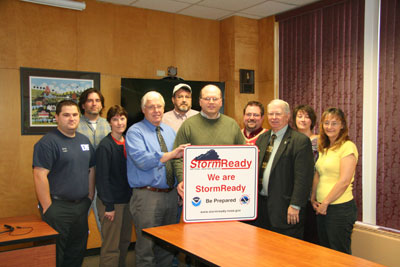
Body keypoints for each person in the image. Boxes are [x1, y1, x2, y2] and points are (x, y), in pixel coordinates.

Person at [126, 91, 188, 267]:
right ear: (143, 109)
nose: (156, 110)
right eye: (151, 107)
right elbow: (142, 160)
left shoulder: (169, 131)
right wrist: (170, 155)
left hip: (170, 196)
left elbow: (178, 161)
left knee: (168, 247)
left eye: (159, 106)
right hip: (147, 197)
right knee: (146, 249)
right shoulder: (135, 132)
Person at [33, 100, 95, 267]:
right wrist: (48, 207)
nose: (71, 118)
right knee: (55, 254)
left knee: (77, 250)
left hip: (81, 206)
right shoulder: (48, 142)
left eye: (75, 114)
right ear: (57, 118)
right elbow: (39, 175)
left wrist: (89, 196)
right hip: (57, 207)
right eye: (66, 115)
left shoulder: (84, 141)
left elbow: (91, 169)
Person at [252, 99, 314, 239]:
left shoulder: (299, 141)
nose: (273, 117)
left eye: (278, 114)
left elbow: (303, 178)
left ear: (287, 116)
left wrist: (295, 205)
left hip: (286, 209)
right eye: (271, 114)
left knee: (286, 254)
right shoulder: (262, 138)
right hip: (261, 208)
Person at [173, 84, 246, 197]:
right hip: (197, 189)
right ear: (200, 102)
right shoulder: (188, 125)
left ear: (221, 102)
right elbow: (177, 157)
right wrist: (182, 179)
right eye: (207, 98)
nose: (211, 102)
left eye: (215, 99)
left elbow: (243, 155)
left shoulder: (232, 124)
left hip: (227, 189)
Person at [311, 107, 358, 254]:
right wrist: (313, 198)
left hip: (339, 209)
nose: (329, 127)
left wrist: (325, 203)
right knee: (325, 253)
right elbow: (318, 174)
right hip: (322, 207)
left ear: (342, 125)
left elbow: (344, 181)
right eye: (326, 123)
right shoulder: (325, 147)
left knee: (339, 255)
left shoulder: (347, 146)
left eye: (334, 123)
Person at [95, 105, 132, 267]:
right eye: (115, 119)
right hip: (111, 204)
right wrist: (109, 206)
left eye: (122, 118)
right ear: (109, 122)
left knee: (124, 242)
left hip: (127, 201)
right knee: (111, 246)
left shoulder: (129, 142)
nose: (119, 123)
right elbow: (102, 179)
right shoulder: (105, 146)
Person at [77, 88, 111, 232]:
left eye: (97, 100)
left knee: (106, 224)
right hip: (81, 182)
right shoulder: (75, 124)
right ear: (83, 105)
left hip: (104, 181)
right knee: (79, 224)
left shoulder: (109, 124)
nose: (94, 104)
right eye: (90, 100)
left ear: (102, 105)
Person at [293, 104, 319, 243]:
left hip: (313, 195)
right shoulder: (290, 140)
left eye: (307, 117)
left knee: (312, 236)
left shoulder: (320, 141)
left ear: (312, 120)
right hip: (294, 195)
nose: (303, 120)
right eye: (300, 116)